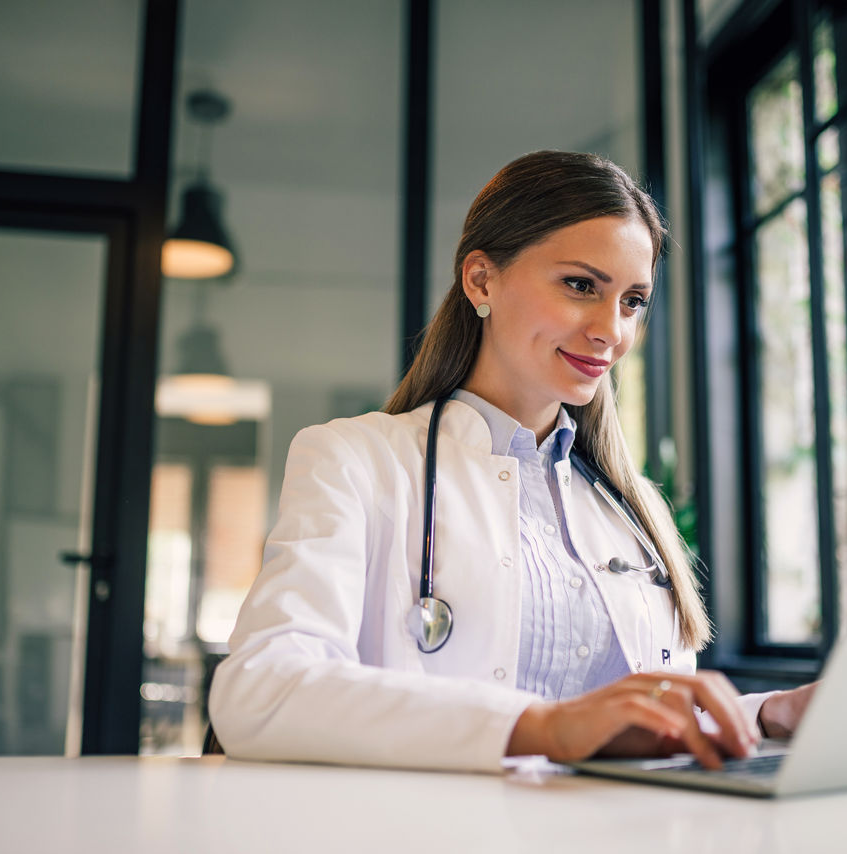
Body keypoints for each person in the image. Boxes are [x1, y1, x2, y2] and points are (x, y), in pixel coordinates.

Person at [208, 150, 815, 772]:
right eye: (582, 285)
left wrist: (765, 714)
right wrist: (545, 728)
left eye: (633, 300)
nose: (612, 330)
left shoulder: (633, 509)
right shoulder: (355, 460)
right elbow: (261, 691)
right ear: (481, 281)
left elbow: (641, 725)